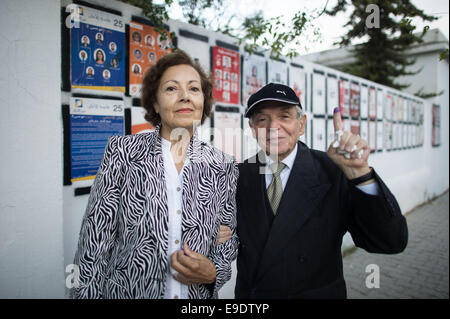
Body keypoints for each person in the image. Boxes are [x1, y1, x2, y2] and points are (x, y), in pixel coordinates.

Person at [72, 50, 238, 299]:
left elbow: (229, 237)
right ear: (155, 103)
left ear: (203, 101)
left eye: (194, 89)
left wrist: (215, 271)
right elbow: (94, 244)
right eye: (171, 89)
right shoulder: (123, 153)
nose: (185, 97)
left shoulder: (223, 165)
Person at [234, 83, 408, 299]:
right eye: (262, 119)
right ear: (253, 129)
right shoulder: (239, 175)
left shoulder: (333, 171)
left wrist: (361, 176)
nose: (273, 127)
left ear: (301, 125)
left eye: (285, 116)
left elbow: (389, 241)